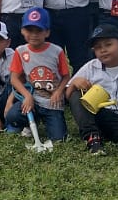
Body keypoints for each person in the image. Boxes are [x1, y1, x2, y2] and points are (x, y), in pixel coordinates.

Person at [64, 24, 118, 152]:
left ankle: (103, 133)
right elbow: (68, 96)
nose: (103, 50)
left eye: (108, 44)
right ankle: (92, 137)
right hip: (96, 112)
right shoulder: (90, 67)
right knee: (76, 94)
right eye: (98, 47)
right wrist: (74, 84)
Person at [4, 7, 70, 142]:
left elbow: (66, 76)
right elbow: (14, 78)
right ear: (22, 31)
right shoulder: (20, 51)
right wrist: (27, 95)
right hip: (32, 100)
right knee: (12, 116)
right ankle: (30, 121)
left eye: (39, 30)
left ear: (47, 32)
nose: (34, 35)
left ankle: (48, 120)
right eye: (29, 30)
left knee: (58, 138)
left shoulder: (56, 51)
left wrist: (58, 92)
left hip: (51, 101)